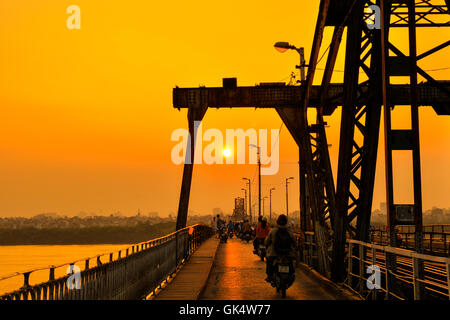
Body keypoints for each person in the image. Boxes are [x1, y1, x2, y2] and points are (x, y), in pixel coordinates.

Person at [264, 214, 297, 283]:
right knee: (292, 264)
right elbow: (294, 243)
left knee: (269, 262)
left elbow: (266, 242)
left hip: (275, 254)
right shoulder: (290, 232)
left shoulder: (273, 231)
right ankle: (291, 276)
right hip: (288, 254)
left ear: (277, 221)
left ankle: (269, 277)